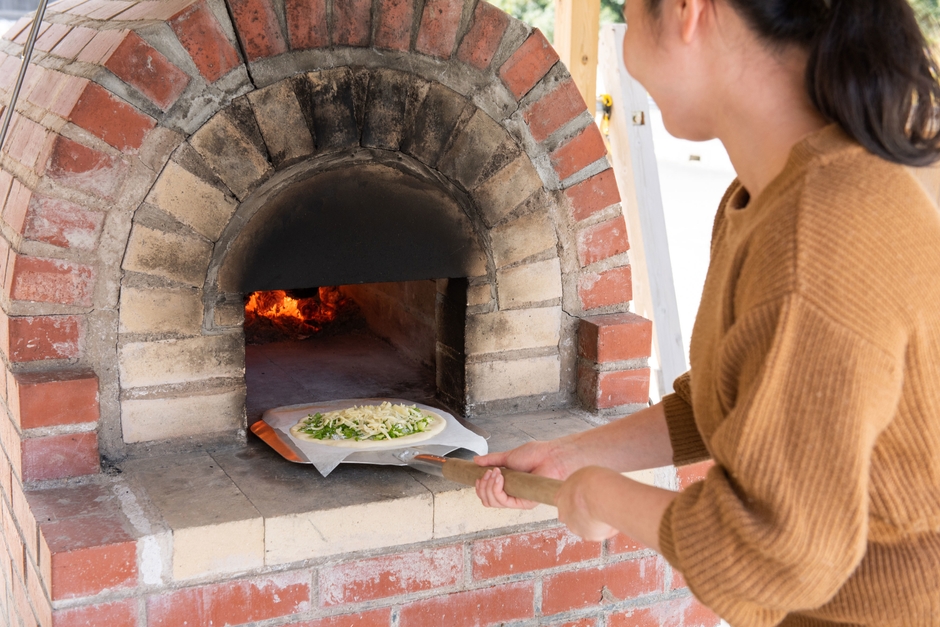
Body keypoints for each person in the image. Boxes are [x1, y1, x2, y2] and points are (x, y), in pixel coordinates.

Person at [474, 0, 940, 625]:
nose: (631, 56)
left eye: (635, 21)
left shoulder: (816, 236)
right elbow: (742, 397)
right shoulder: (769, 191)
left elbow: (779, 553)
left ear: (691, 12)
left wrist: (605, 496)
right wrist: (574, 458)